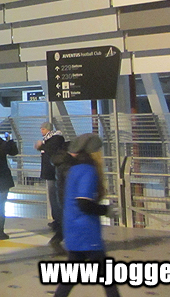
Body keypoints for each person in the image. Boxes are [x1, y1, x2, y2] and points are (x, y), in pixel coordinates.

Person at [53, 133, 120, 297]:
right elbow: (84, 203)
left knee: (68, 280)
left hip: (73, 229)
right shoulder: (88, 170)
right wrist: (106, 210)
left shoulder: (74, 169)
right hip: (87, 233)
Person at [35, 122, 65, 234]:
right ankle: (56, 219)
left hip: (54, 172)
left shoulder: (56, 139)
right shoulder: (48, 140)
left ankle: (60, 221)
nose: (41, 131)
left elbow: (51, 150)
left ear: (48, 129)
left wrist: (41, 146)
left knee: (55, 196)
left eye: (43, 129)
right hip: (50, 172)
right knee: (53, 197)